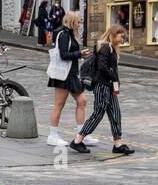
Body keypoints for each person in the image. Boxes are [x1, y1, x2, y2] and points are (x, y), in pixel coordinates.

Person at [70, 24, 135, 155]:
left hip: (110, 87)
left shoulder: (111, 48)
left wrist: (115, 82)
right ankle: (77, 140)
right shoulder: (105, 48)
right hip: (102, 86)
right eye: (122, 36)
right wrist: (114, 77)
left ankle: (118, 144)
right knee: (98, 114)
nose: (123, 40)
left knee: (116, 114)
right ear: (114, 34)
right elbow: (102, 67)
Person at [46, 11, 88, 147]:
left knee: (82, 101)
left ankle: (82, 134)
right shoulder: (63, 34)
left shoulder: (69, 34)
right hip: (63, 75)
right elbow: (64, 55)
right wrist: (79, 53)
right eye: (78, 21)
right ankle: (52, 136)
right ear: (72, 21)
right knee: (59, 104)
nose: (80, 24)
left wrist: (79, 55)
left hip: (71, 74)